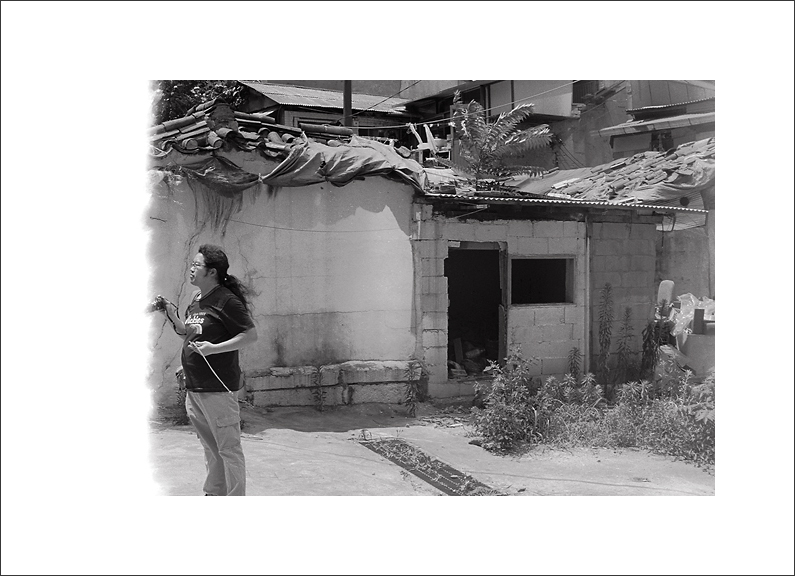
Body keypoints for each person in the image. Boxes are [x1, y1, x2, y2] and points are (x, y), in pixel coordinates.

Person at [158, 244, 258, 496]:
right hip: (195, 386)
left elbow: (250, 335)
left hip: (217, 389)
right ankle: (214, 493)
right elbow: (189, 334)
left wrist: (214, 349)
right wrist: (172, 315)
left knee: (228, 449)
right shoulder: (196, 299)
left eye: (196, 265)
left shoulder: (226, 300)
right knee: (210, 447)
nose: (191, 269)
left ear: (212, 272)